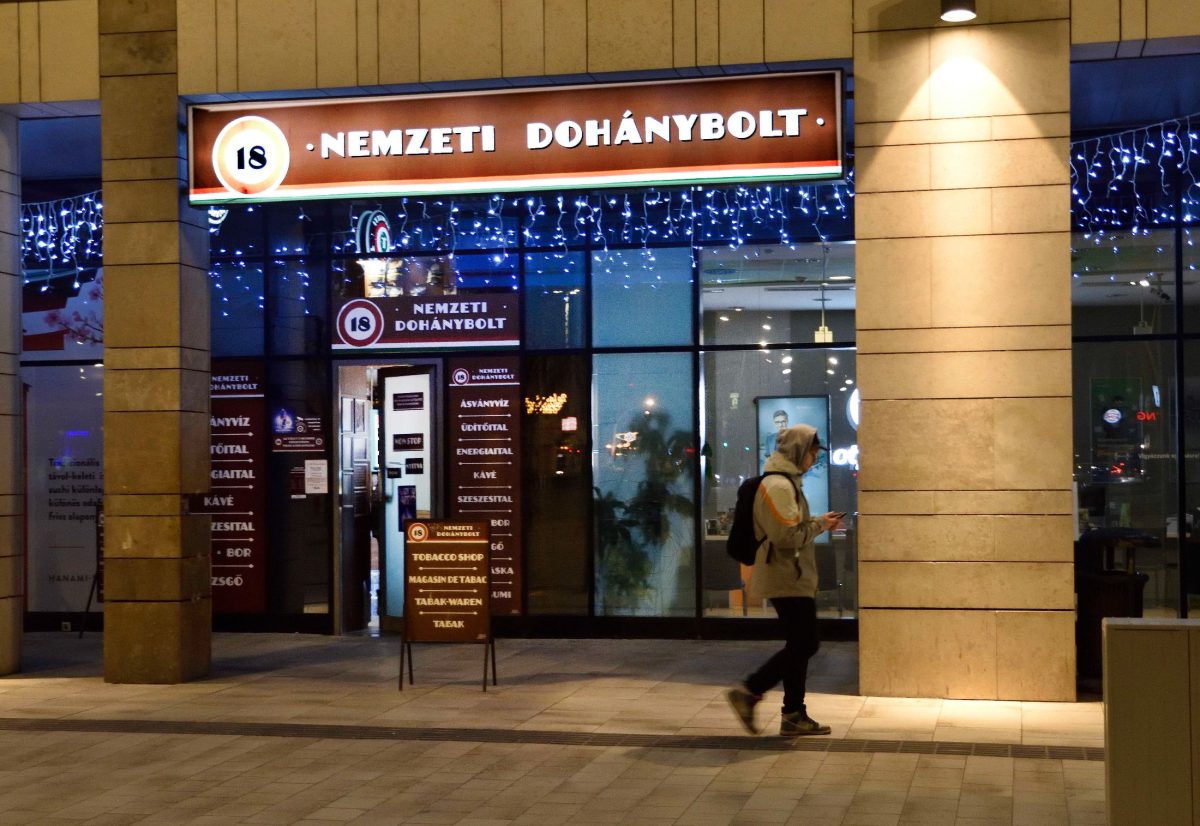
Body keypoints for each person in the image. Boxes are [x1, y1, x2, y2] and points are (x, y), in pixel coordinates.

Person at [727, 423, 844, 736]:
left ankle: (793, 713)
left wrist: (818, 522)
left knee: (799, 644)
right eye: (812, 452)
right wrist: (819, 526)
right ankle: (751, 690)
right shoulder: (778, 485)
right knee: (806, 643)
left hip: (793, 574)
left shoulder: (788, 482)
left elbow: (790, 528)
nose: (814, 458)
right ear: (798, 451)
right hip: (785, 575)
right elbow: (785, 537)